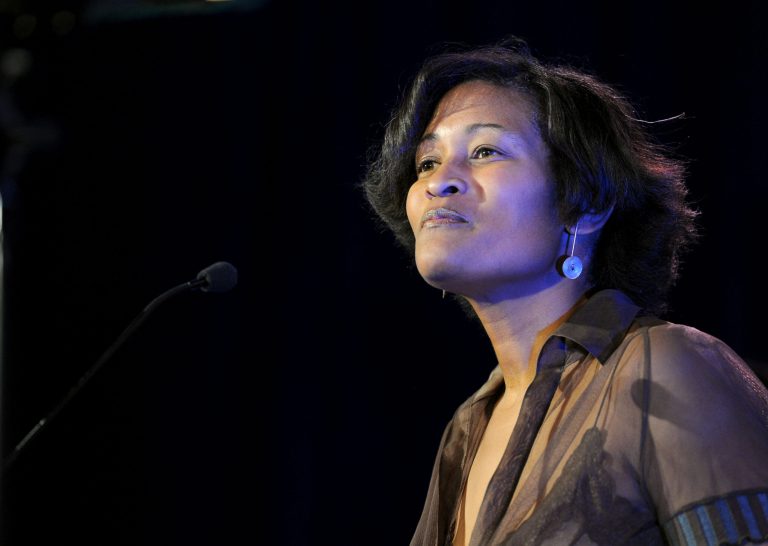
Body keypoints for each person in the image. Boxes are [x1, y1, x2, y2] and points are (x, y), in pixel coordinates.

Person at [362, 37, 768, 546]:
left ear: (585, 206)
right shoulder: (467, 429)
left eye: (485, 151)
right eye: (426, 162)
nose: (439, 181)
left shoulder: (664, 366)